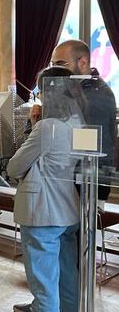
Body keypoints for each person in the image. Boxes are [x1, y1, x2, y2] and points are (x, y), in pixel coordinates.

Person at [9, 67, 81, 312]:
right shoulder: (78, 122)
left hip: (42, 212)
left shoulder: (46, 128)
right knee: (68, 282)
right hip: (69, 209)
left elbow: (14, 167)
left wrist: (32, 125)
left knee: (44, 289)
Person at [52, 39, 116, 208]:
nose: (55, 70)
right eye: (52, 64)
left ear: (83, 62)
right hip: (73, 175)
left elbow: (88, 142)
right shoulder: (77, 88)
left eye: (60, 63)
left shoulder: (96, 92)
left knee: (85, 232)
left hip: (88, 177)